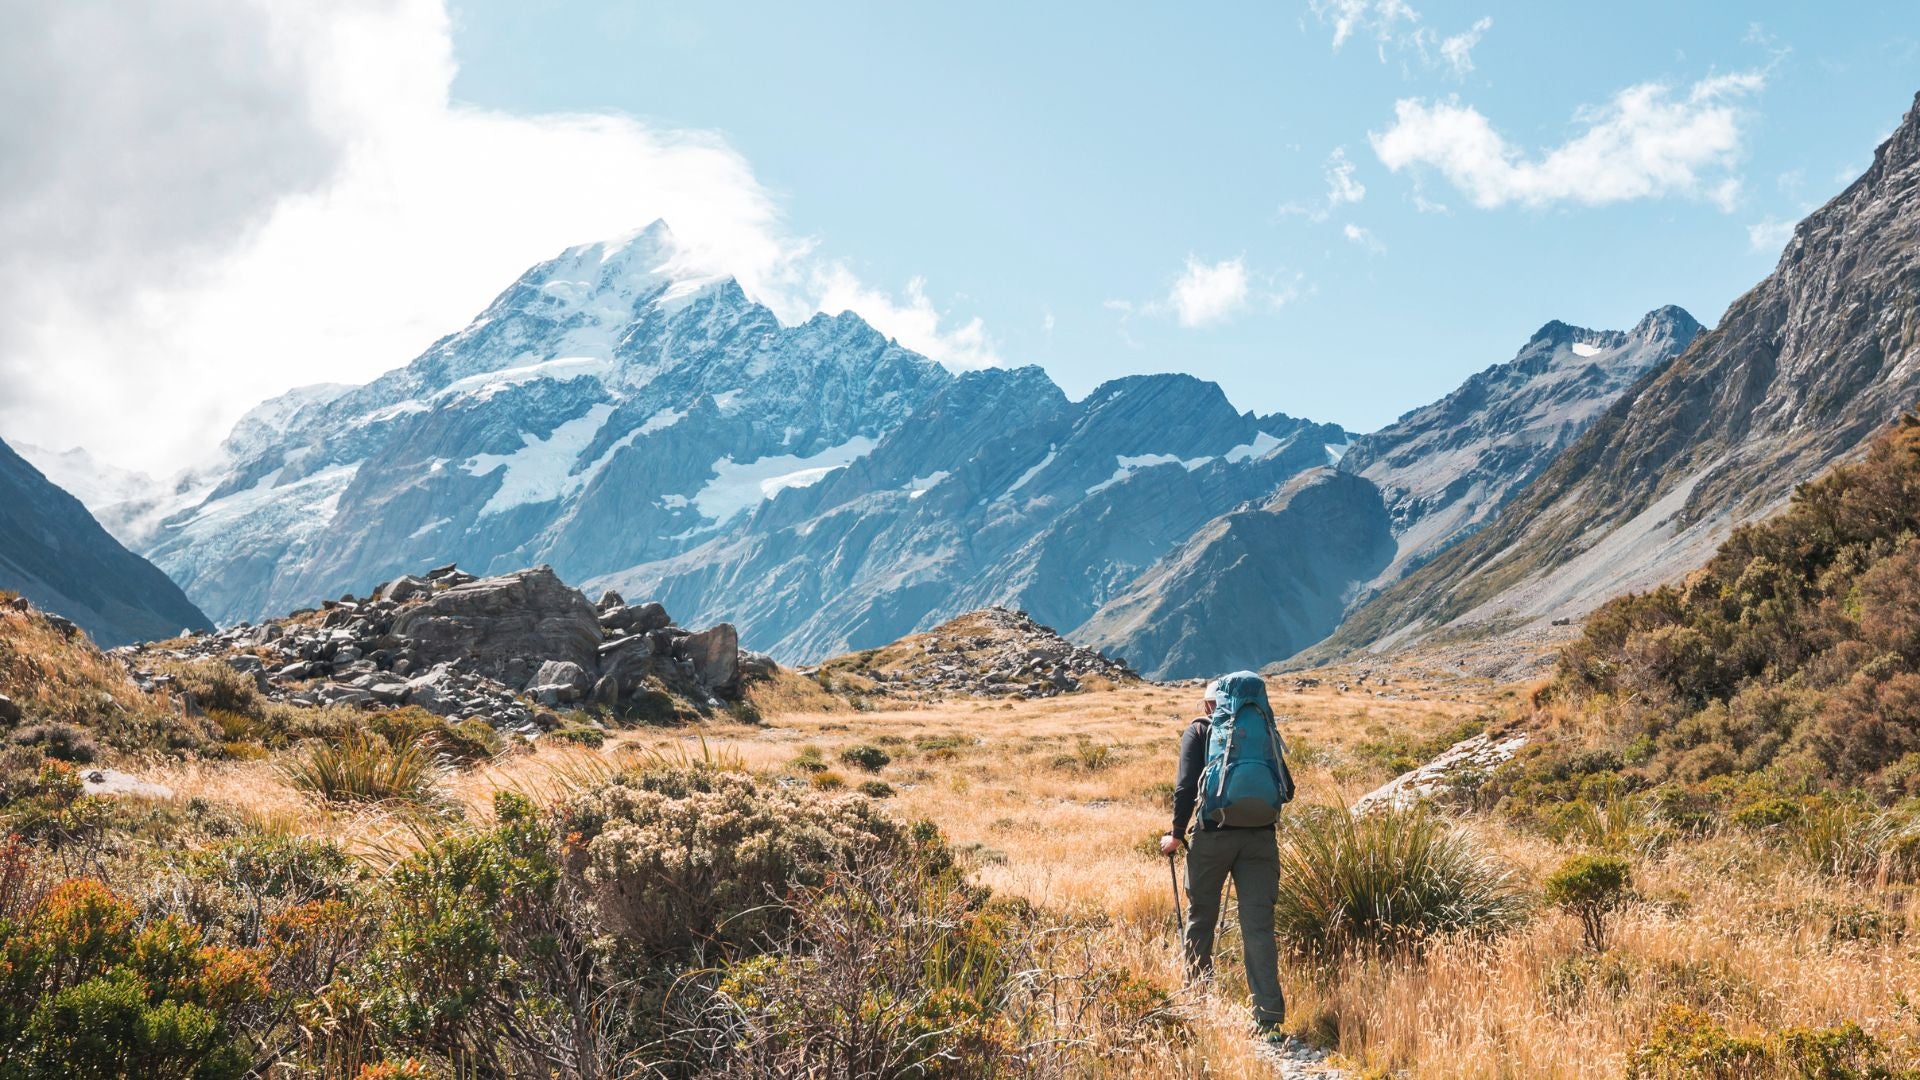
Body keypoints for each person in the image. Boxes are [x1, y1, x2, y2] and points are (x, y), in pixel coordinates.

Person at [1159, 676, 1286, 1032]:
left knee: (1201, 919)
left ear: (1207, 705)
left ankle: (1198, 1000)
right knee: (1259, 927)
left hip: (1213, 837)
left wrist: (1175, 834)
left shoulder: (1200, 731)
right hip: (1261, 837)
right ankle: (1269, 1019)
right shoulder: (1261, 725)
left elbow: (1186, 787)